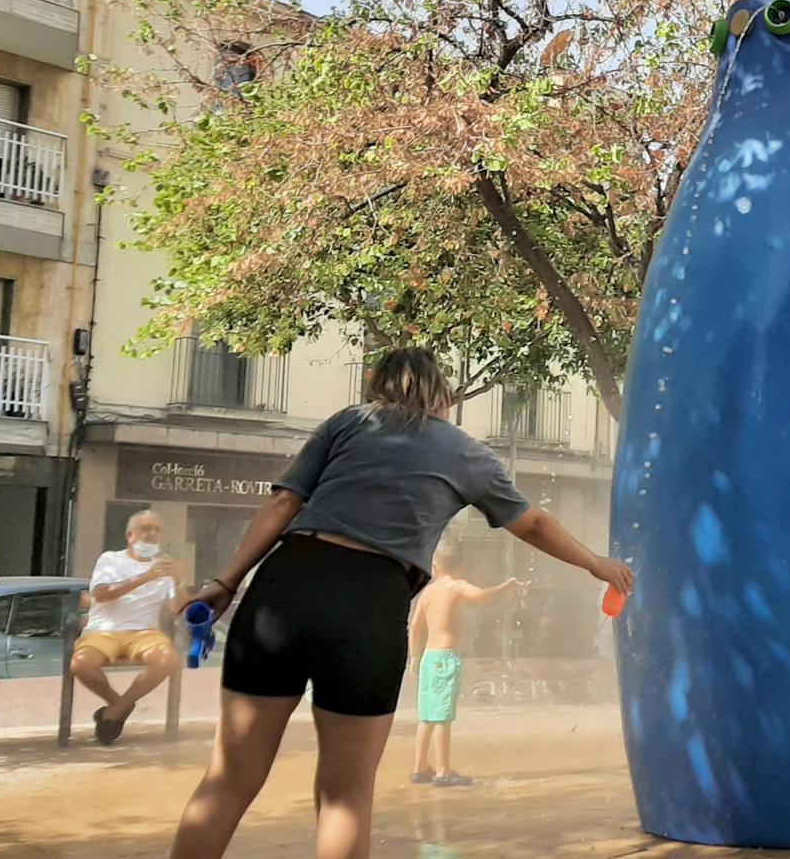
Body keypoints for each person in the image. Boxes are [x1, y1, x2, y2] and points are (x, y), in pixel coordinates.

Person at [167, 348, 633, 859]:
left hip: (285, 586)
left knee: (229, 778)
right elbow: (533, 523)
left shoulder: (348, 423)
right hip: (369, 600)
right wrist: (595, 563)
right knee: (345, 794)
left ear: (377, 388)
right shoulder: (466, 452)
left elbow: (283, 502)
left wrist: (226, 581)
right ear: (445, 396)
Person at [407, 537, 528, 787]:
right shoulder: (456, 586)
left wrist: (415, 657)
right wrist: (507, 585)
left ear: (435, 567)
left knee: (427, 716)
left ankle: (419, 768)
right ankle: (443, 772)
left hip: (429, 657)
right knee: (443, 717)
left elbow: (415, 627)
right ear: (460, 566)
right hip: (446, 659)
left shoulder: (428, 592)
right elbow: (481, 597)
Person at [73, 509, 181, 745]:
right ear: (130, 536)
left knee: (168, 660)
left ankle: (113, 712)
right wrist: (146, 577)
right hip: (104, 631)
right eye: (146, 529)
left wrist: (179, 582)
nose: (152, 534)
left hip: (145, 633)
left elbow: (177, 609)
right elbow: (101, 595)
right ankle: (121, 705)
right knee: (81, 665)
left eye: (157, 530)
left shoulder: (165, 569)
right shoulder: (111, 559)